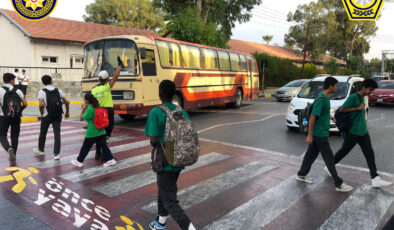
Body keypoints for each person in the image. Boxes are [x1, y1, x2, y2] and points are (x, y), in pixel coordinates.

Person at [145, 80, 196, 230]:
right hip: (179, 158)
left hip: (165, 160)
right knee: (164, 190)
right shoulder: (181, 111)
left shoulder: (156, 112)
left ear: (159, 93)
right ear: (174, 94)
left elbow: (153, 141)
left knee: (170, 201)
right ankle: (160, 223)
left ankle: (189, 227)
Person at [331, 79, 392, 188]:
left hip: (362, 131)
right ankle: (329, 166)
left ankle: (375, 178)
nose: (371, 92)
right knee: (344, 151)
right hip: (353, 131)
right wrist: (356, 108)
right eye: (370, 89)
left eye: (372, 90)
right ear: (364, 87)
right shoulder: (353, 97)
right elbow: (341, 109)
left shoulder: (364, 97)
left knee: (369, 154)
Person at [297, 77, 353, 193]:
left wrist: (330, 116)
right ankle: (338, 183)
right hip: (319, 134)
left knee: (310, 155)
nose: (336, 88)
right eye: (336, 86)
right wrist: (310, 135)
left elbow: (323, 112)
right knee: (329, 159)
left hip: (321, 133)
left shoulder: (326, 98)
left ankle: (302, 174)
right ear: (330, 86)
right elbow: (313, 117)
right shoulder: (321, 99)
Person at [71, 93, 116, 167]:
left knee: (85, 147)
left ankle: (79, 161)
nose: (84, 101)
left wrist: (83, 108)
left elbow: (81, 118)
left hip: (92, 132)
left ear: (87, 101)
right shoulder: (97, 107)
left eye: (84, 99)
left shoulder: (90, 109)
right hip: (101, 131)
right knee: (104, 146)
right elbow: (94, 119)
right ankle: (111, 159)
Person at [92, 56, 123, 161]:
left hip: (98, 113)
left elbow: (91, 103)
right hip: (107, 113)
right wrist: (119, 65)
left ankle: (98, 153)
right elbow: (116, 77)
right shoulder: (107, 87)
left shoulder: (94, 90)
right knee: (106, 135)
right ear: (107, 79)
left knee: (99, 132)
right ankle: (106, 155)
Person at [33, 75, 70, 160]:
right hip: (58, 115)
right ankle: (56, 154)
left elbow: (41, 105)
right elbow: (66, 102)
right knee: (57, 134)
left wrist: (42, 113)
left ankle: (41, 149)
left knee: (43, 132)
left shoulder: (41, 92)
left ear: (43, 82)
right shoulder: (58, 90)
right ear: (51, 81)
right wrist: (67, 112)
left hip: (47, 115)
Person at [0, 73, 28, 161]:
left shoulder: (0, 90)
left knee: (2, 135)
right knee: (14, 135)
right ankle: (14, 154)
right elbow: (25, 104)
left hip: (3, 116)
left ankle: (8, 148)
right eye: (14, 80)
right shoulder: (18, 91)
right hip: (16, 116)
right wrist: (19, 111)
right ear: (11, 80)